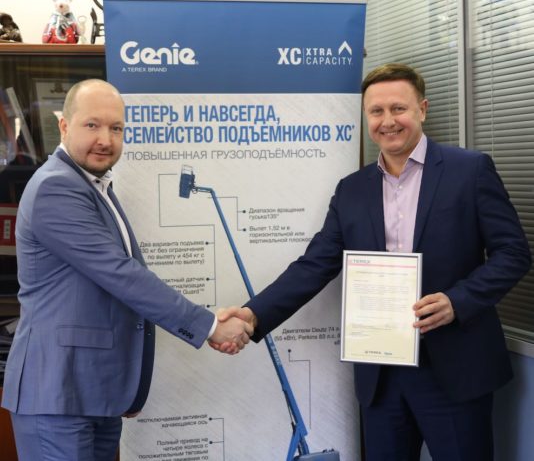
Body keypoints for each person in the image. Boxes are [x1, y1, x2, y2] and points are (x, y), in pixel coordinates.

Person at [214, 63, 532, 460]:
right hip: (381, 375)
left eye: (398, 108)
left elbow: (514, 253)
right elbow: (314, 265)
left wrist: (457, 301)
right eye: (376, 111)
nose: (388, 121)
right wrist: (252, 315)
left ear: (422, 110)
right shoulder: (352, 189)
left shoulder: (469, 171)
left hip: (454, 368)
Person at [1, 79, 251, 461]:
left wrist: (126, 388)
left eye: (116, 128)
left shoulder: (95, 186)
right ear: (64, 125)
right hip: (57, 395)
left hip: (95, 393)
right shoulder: (57, 187)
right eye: (92, 125)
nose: (105, 139)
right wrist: (210, 326)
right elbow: (121, 276)